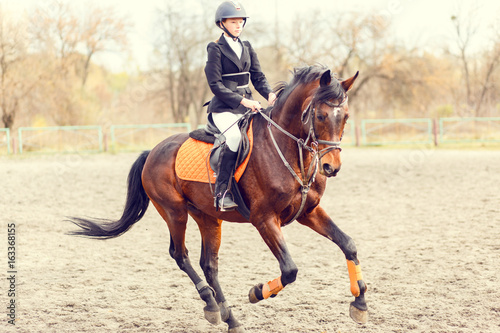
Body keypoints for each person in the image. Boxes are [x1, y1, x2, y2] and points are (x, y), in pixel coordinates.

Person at [205, 1, 276, 212]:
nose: (238, 25)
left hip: (248, 105)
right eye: (234, 22)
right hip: (224, 108)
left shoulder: (246, 46)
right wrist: (243, 100)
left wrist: (270, 94)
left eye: (241, 21)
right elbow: (215, 85)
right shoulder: (215, 48)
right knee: (235, 138)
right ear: (222, 24)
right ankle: (222, 193)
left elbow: (258, 76)